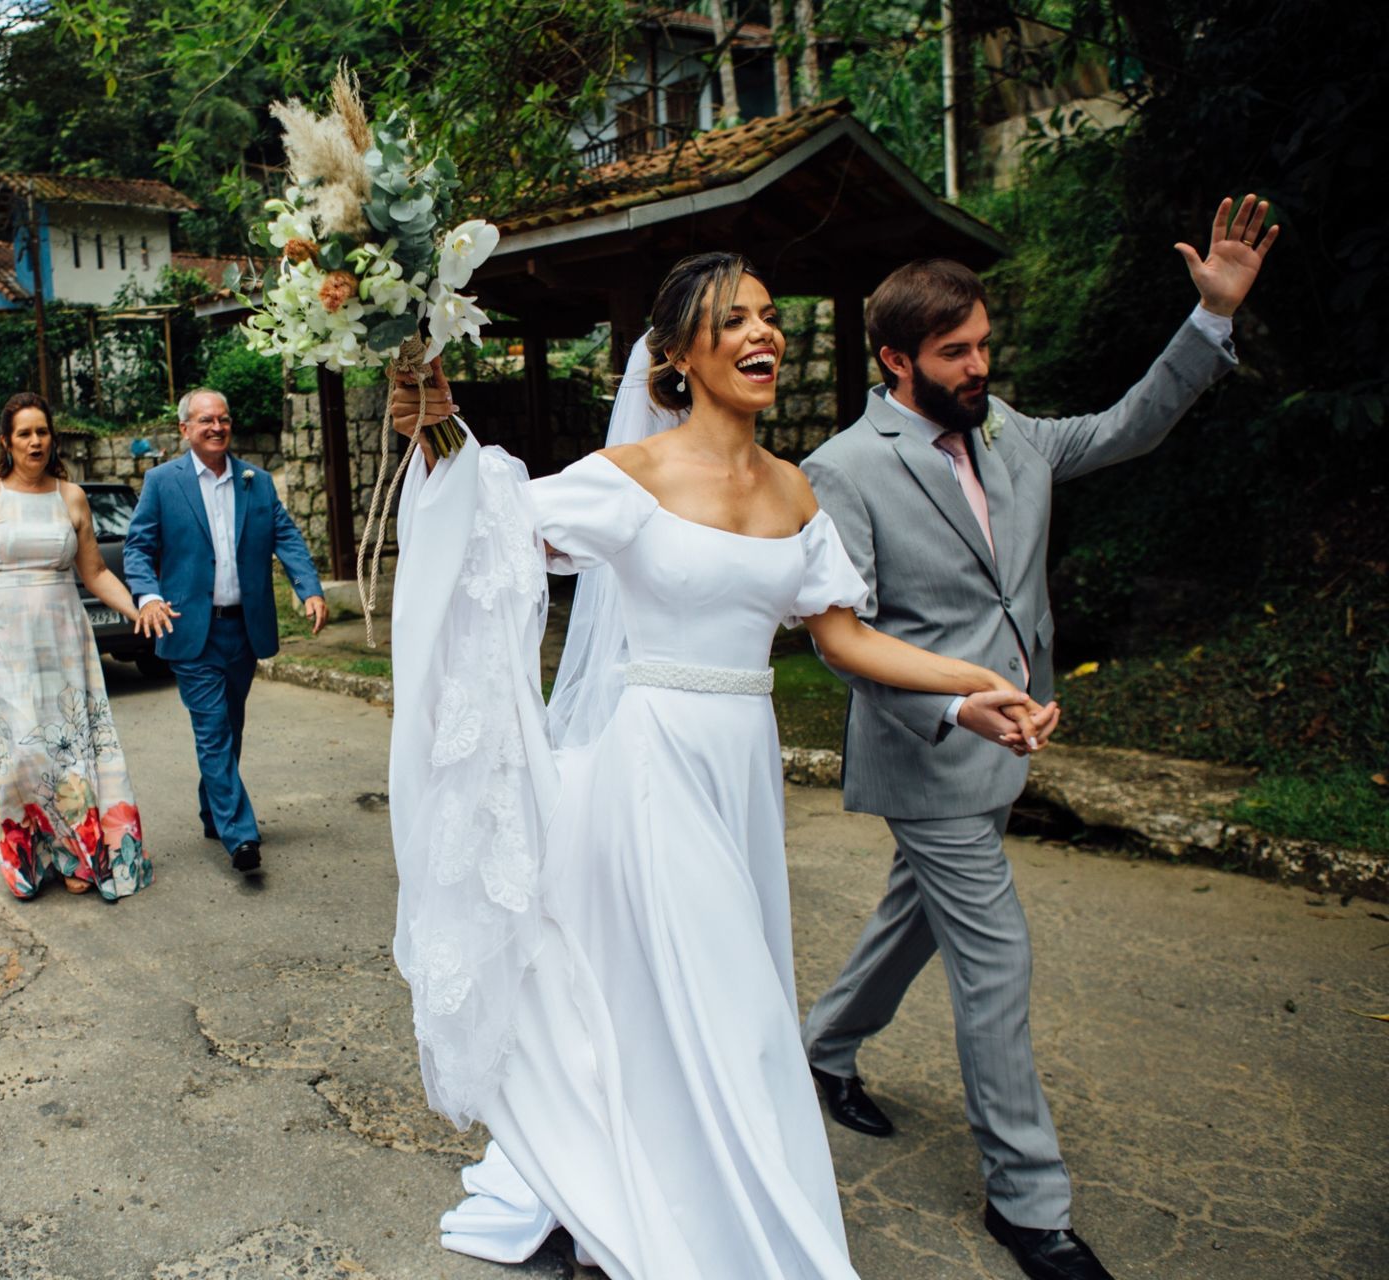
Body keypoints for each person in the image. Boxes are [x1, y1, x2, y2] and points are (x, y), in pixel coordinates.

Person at [383, 255, 1045, 1279]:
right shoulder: (629, 479)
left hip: (742, 763)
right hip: (648, 763)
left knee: (701, 994)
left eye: (770, 316)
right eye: (733, 319)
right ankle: (704, 1225)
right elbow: (488, 523)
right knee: (728, 1002)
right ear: (678, 353)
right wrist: (435, 428)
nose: (762, 333)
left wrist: (964, 686)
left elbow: (843, 636)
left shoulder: (793, 486)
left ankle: (664, 1182)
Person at [795, 196, 1276, 1280]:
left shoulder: (1009, 430)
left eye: (985, 347)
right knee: (996, 955)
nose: (979, 368)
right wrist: (953, 702)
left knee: (917, 914)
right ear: (894, 360)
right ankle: (1029, 1205)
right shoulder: (847, 466)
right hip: (925, 750)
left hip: (1007, 743)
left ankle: (820, 1047)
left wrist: (1209, 321)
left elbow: (1128, 425)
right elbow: (844, 635)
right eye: (955, 352)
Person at [0, 392, 151, 903]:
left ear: (53, 439)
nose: (35, 441)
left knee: (70, 747)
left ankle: (79, 855)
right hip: (2, 637)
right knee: (23, 748)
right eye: (25, 433)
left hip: (64, 634)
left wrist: (138, 609)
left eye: (42, 432)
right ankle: (31, 851)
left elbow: (93, 572)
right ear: (6, 441)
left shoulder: (70, 497)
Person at [123, 387, 327, 876]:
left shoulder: (256, 481)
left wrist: (309, 588)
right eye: (205, 420)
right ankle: (241, 837)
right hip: (192, 631)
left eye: (224, 419)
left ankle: (213, 810)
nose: (217, 427)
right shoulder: (161, 482)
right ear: (185, 430)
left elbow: (286, 536)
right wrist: (148, 596)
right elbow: (137, 548)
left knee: (228, 727)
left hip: (244, 630)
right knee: (213, 731)